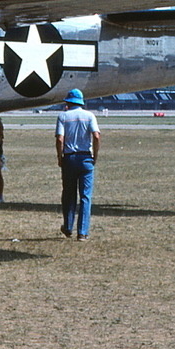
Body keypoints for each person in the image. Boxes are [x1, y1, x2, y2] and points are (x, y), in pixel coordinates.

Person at [55, 88, 100, 240]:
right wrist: (95, 155)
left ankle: (68, 227)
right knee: (85, 196)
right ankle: (82, 232)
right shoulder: (89, 116)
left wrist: (60, 156)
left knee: (68, 194)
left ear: (68, 102)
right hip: (85, 158)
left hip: (69, 158)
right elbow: (96, 136)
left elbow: (60, 139)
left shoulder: (63, 116)